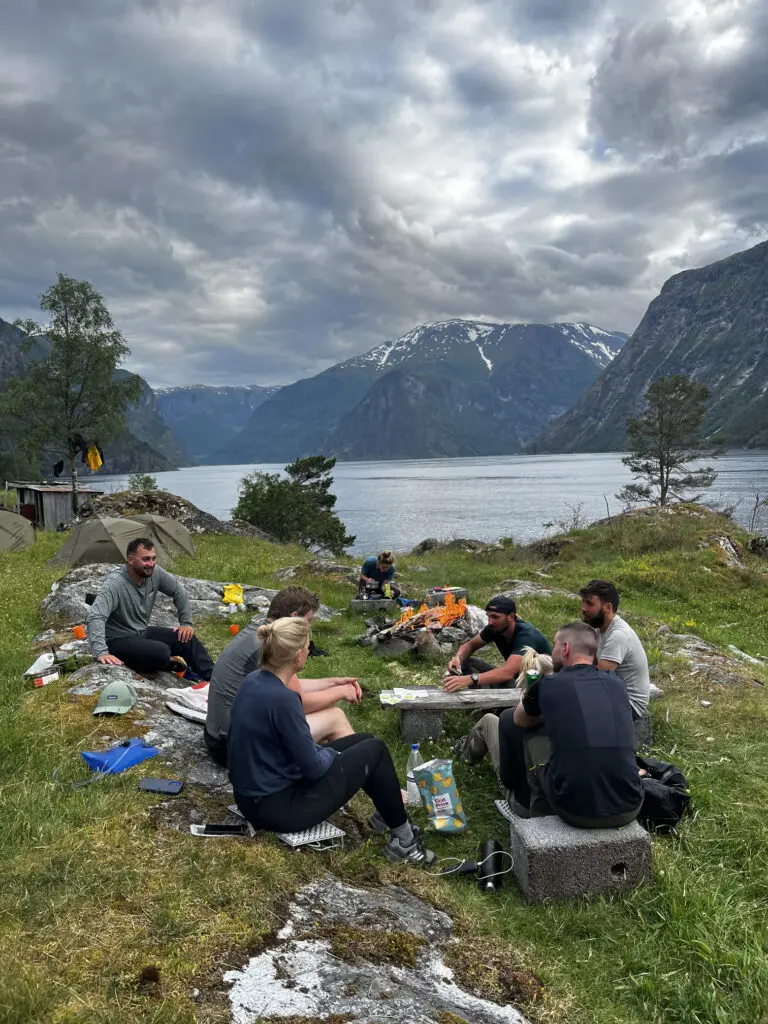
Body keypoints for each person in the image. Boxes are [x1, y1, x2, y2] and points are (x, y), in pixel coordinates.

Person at [228, 616, 435, 865]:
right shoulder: (283, 700)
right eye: (307, 647)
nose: (308, 651)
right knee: (376, 750)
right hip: (279, 809)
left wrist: (328, 754)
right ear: (296, 656)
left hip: (253, 797)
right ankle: (405, 843)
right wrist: (333, 756)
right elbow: (314, 767)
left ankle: (387, 813)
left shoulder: (253, 681)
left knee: (364, 740)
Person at [498, 621, 643, 827]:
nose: (552, 649)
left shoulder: (547, 684)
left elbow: (519, 719)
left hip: (575, 810)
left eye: (555, 644)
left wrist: (530, 699)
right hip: (631, 805)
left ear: (565, 648)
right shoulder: (616, 683)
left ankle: (535, 814)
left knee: (532, 735)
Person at [205, 585, 361, 767]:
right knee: (335, 717)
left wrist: (333, 683)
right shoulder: (272, 646)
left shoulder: (263, 634)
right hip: (234, 748)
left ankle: (353, 769)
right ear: (294, 617)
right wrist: (340, 693)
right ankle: (368, 773)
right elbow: (300, 704)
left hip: (220, 737)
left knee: (326, 735)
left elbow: (286, 685)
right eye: (308, 620)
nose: (309, 627)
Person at [87, 537, 214, 679]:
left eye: (153, 559)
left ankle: (214, 680)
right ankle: (162, 663)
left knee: (186, 639)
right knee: (161, 652)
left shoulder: (155, 573)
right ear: (130, 559)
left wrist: (186, 623)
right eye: (146, 559)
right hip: (116, 641)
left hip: (141, 633)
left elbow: (179, 591)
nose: (151, 564)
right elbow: (96, 616)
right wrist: (101, 652)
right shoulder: (115, 584)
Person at [453, 647, 553, 777]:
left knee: (488, 720)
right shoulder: (570, 710)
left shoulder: (514, 718)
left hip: (524, 792)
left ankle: (463, 755)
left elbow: (509, 777)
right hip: (562, 787)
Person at [443, 595, 552, 691]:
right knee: (466, 662)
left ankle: (488, 705)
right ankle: (482, 698)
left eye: (495, 617)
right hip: (516, 678)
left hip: (536, 685)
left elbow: (507, 673)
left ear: (511, 617)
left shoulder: (526, 636)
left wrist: (470, 679)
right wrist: (457, 658)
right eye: (488, 616)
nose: (490, 622)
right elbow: (470, 645)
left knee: (501, 678)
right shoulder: (495, 628)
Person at [579, 579, 650, 719]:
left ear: (608, 608)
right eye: (584, 602)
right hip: (614, 693)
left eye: (590, 604)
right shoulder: (600, 629)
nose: (583, 608)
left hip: (630, 704)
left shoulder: (618, 635)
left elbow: (598, 680)